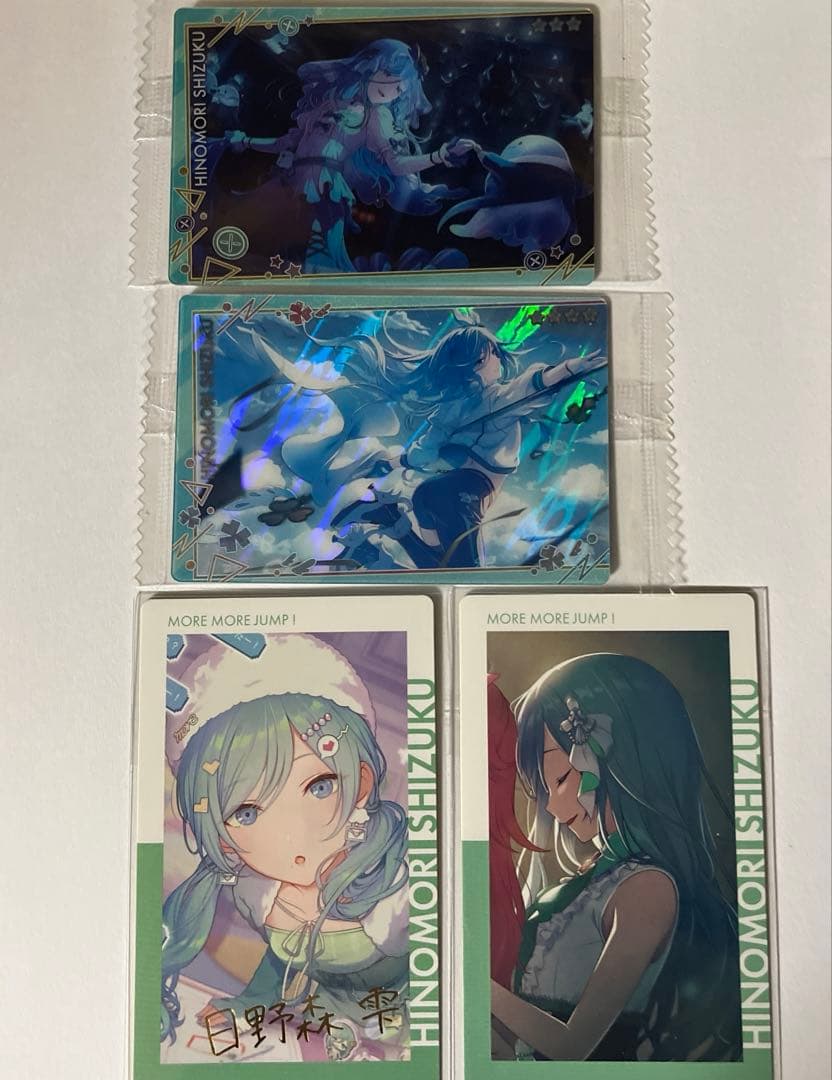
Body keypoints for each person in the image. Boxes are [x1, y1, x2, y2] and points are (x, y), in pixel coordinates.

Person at [161, 634, 409, 1061]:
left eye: (319, 786)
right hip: (317, 1038)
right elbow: (283, 965)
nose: (293, 834)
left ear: (361, 782)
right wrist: (248, 1006)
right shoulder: (259, 893)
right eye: (247, 813)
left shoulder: (396, 884)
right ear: (223, 837)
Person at [489, 653, 741, 1062]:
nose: (551, 806)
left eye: (560, 779)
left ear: (619, 762)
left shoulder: (647, 888)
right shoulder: (596, 877)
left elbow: (573, 1047)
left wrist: (473, 983)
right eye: (542, 789)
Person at [228, 38, 476, 271]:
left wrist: (439, 156)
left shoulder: (376, 118)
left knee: (313, 259)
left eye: (400, 89)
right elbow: (285, 142)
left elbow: (397, 164)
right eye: (390, 75)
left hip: (323, 191)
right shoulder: (328, 104)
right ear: (372, 67)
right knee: (258, 246)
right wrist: (246, 141)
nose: (391, 90)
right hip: (288, 183)